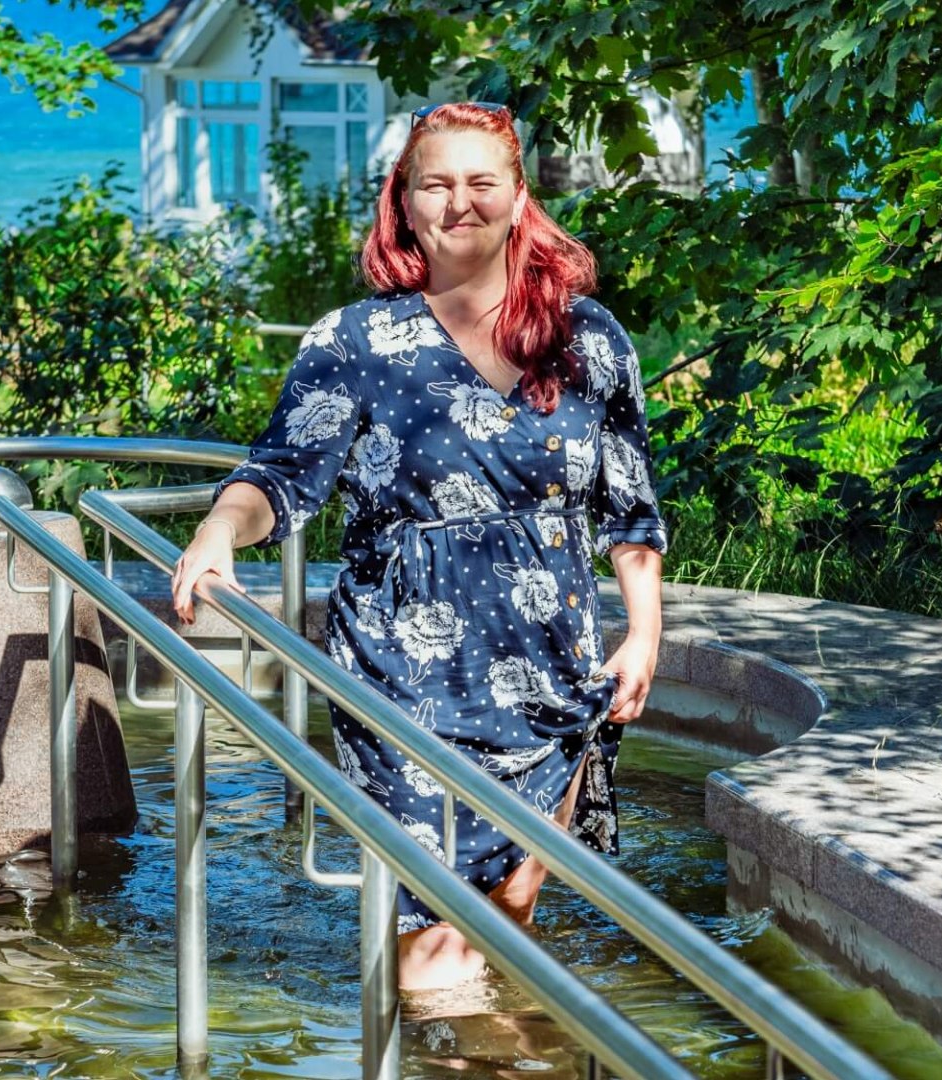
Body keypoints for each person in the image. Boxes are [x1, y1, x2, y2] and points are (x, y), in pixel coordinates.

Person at [169, 101, 668, 991]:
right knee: (434, 934)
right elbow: (279, 475)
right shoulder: (353, 342)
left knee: (509, 911)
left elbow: (629, 502)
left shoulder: (588, 340)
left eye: (482, 182)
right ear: (403, 201)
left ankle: (490, 1051)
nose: (459, 202)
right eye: (435, 184)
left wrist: (643, 632)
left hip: (556, 662)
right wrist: (217, 532)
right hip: (403, 668)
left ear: (520, 198)